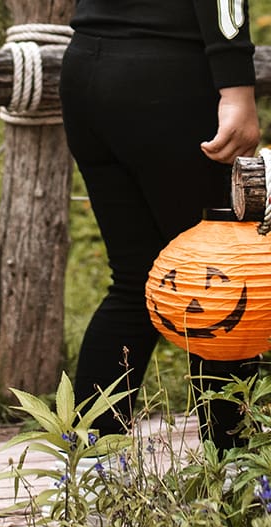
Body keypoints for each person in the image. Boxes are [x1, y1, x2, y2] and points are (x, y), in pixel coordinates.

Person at [62, 0, 261, 449]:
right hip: (167, 78)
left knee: (135, 280)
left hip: (87, 70)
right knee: (222, 284)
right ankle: (234, 479)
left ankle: (90, 468)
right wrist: (236, 88)